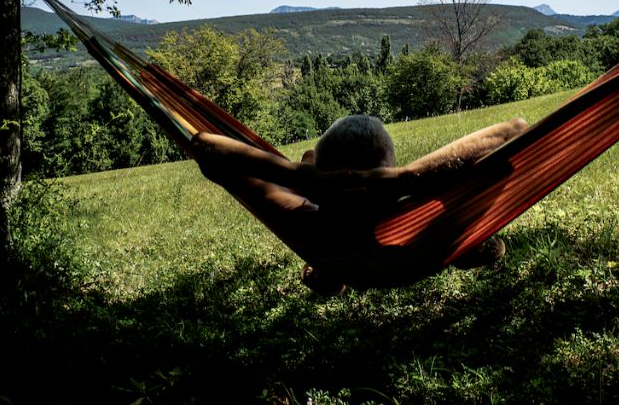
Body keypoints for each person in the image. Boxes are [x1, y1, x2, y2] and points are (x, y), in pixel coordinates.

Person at [191, 115, 528, 295]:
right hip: (422, 254)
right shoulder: (421, 214)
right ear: (390, 163)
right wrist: (406, 177)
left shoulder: (303, 220)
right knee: (479, 239)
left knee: (326, 264)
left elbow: (206, 147)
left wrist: (299, 175)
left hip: (339, 257)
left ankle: (327, 275)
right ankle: (473, 248)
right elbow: (515, 132)